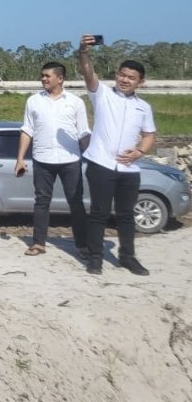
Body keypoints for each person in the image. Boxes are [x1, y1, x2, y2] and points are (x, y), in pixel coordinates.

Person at [77, 35, 156, 276]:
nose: (125, 80)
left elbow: (149, 135)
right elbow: (88, 73)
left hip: (129, 170)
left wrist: (140, 151)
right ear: (116, 75)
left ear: (140, 82)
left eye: (131, 78)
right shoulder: (102, 93)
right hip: (101, 164)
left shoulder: (144, 107)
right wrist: (83, 53)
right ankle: (95, 259)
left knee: (126, 216)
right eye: (122, 74)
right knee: (99, 214)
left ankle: (127, 257)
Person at [14, 62, 91, 257]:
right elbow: (27, 130)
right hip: (42, 159)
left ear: (60, 78)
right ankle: (39, 243)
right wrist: (20, 158)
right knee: (41, 202)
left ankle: (82, 245)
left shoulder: (75, 102)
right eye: (42, 76)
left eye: (48, 76)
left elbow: (83, 133)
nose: (44, 79)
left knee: (76, 202)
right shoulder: (33, 101)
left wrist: (91, 159)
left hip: (70, 160)